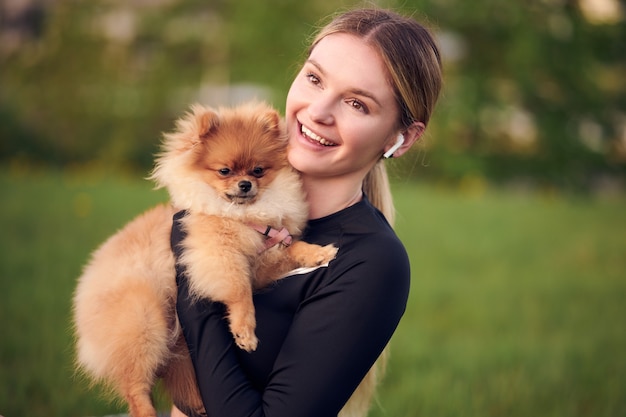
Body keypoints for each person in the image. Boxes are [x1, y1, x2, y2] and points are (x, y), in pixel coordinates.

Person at [171, 7, 442, 417]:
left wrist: (192, 279)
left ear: (402, 139)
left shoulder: (372, 263)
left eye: (357, 103)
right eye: (315, 79)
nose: (318, 111)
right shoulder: (225, 196)